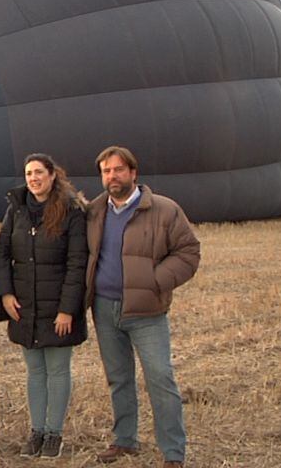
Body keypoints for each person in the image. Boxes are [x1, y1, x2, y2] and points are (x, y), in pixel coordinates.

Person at [86, 146, 200, 468]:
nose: (112, 176)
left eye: (119, 170)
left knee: (160, 378)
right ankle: (125, 440)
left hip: (147, 311)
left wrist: (155, 280)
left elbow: (189, 252)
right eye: (107, 171)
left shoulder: (164, 210)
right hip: (105, 310)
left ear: (133, 173)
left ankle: (173, 452)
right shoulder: (94, 211)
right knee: (118, 378)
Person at [0, 153, 88, 459]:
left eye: (39, 173)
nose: (33, 178)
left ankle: (54, 434)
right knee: (35, 371)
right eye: (29, 173)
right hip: (25, 304)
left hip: (58, 305)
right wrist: (5, 294)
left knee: (58, 370)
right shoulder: (16, 210)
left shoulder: (71, 211)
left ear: (52, 175)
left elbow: (77, 263)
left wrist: (67, 309)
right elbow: (2, 254)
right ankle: (36, 431)